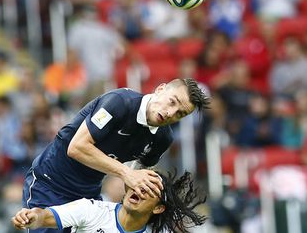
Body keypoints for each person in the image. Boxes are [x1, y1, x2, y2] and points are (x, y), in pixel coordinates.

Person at [22, 78, 209, 233]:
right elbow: (77, 148)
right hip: (49, 185)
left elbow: (137, 179)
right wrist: (125, 173)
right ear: (160, 89)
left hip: (88, 197)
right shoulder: (120, 102)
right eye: (172, 101)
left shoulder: (162, 138)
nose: (170, 113)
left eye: (180, 113)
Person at [14, 171, 206, 232]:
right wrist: (32, 217)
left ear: (158, 208)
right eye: (138, 183)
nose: (139, 189)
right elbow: (45, 216)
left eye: (148, 189)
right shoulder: (91, 210)